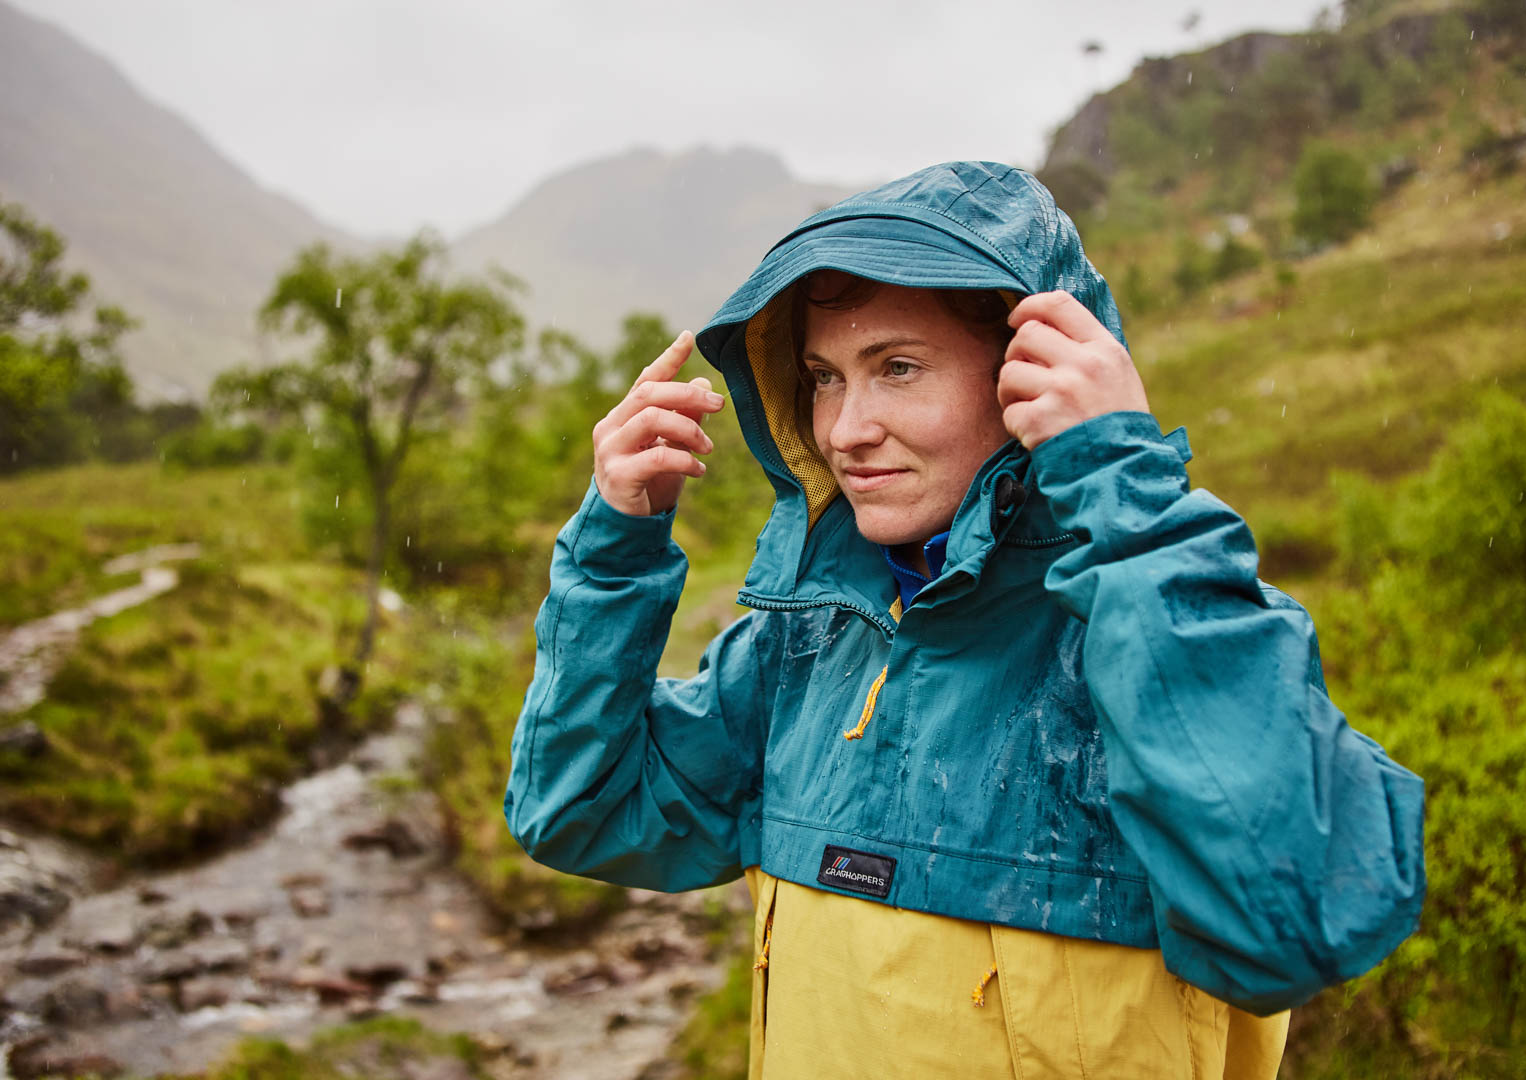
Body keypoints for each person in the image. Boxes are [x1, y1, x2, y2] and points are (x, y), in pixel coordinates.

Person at [505, 161, 1426, 1078]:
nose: (845, 429)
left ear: (1032, 374)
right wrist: (617, 547)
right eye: (824, 377)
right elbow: (579, 808)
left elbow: (1289, 924)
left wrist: (1122, 482)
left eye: (896, 368)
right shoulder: (812, 643)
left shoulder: (1148, 631)